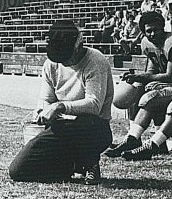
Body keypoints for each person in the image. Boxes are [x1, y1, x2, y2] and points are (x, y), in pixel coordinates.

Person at [9, 21, 114, 185]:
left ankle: (90, 161)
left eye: (66, 56)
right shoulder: (51, 64)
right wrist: (42, 111)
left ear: (78, 45)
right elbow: (46, 98)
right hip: (61, 127)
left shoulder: (95, 61)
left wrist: (60, 106)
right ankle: (73, 165)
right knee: (18, 170)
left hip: (93, 127)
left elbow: (94, 105)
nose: (63, 62)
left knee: (86, 122)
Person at [104, 11, 172, 157]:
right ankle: (133, 138)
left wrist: (143, 77)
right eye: (148, 31)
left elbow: (171, 75)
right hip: (171, 84)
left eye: (156, 29)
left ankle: (145, 141)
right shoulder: (148, 44)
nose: (152, 34)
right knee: (138, 87)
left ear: (163, 28)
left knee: (152, 95)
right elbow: (151, 71)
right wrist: (138, 79)